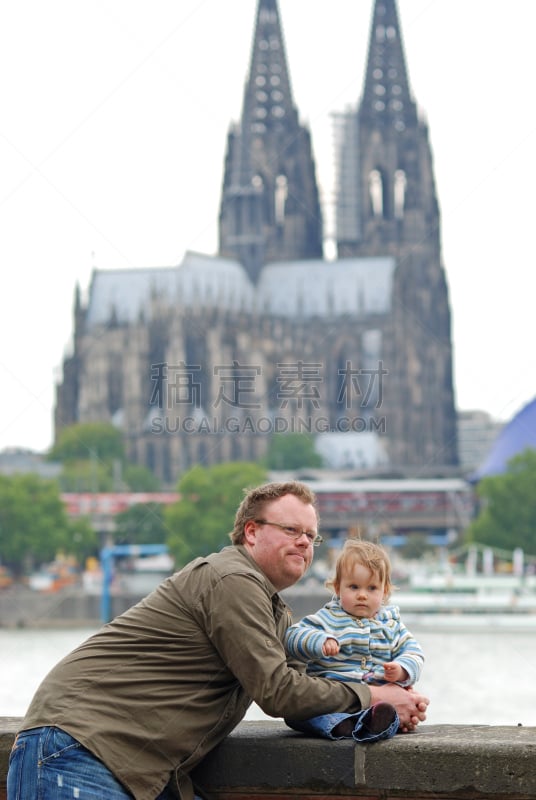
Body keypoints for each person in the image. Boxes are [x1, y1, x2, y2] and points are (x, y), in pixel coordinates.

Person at [7, 481, 429, 800]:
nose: (304, 541)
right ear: (251, 533)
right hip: (77, 753)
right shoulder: (233, 580)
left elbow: (306, 685)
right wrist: (372, 694)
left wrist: (389, 700)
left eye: (312, 535)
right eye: (291, 529)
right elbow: (279, 692)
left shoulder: (271, 607)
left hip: (121, 763)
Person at [284, 538, 425, 742]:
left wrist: (402, 669)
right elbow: (293, 636)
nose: (362, 595)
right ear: (337, 588)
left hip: (374, 701)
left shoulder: (392, 625)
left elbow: (414, 652)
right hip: (333, 700)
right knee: (307, 716)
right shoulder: (327, 618)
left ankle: (375, 723)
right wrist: (320, 641)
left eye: (371, 588)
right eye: (353, 587)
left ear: (384, 592)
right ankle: (345, 725)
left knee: (390, 714)